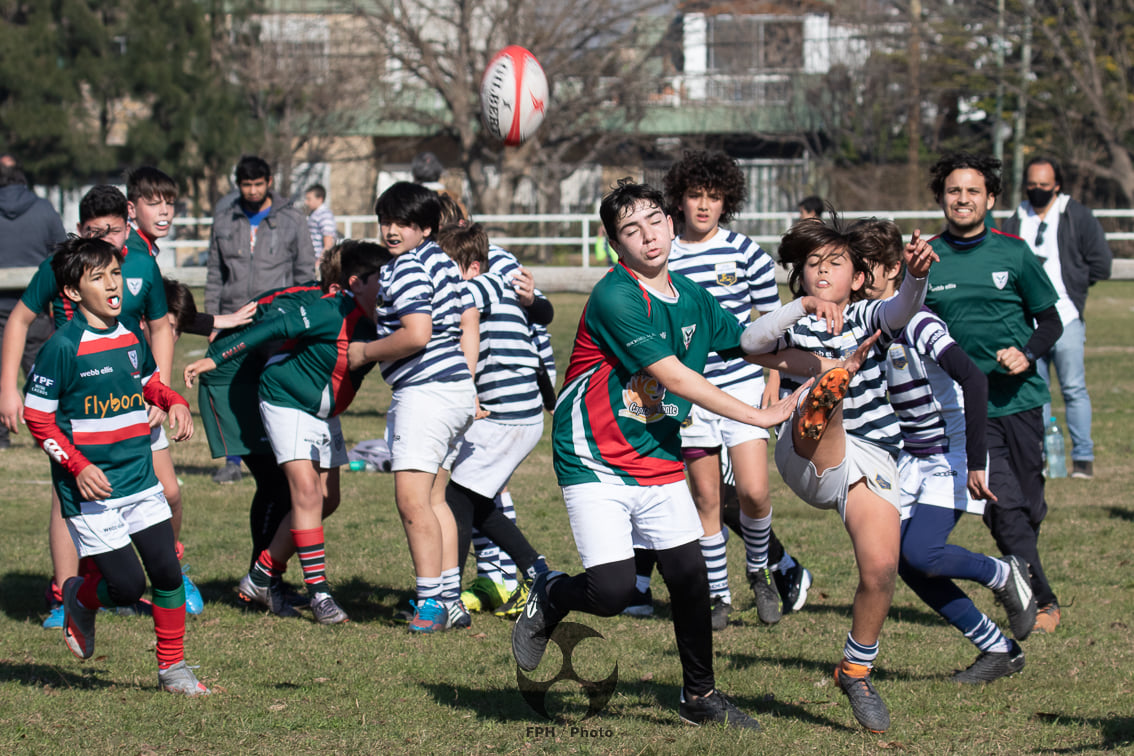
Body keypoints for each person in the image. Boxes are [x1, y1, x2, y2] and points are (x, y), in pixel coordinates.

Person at [511, 180, 821, 730]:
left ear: (671, 224)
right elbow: (674, 377)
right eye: (631, 229)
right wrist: (757, 415)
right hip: (595, 459)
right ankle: (551, 593)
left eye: (655, 220)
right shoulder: (615, 296)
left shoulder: (693, 296)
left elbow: (750, 342)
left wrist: (825, 356)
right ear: (615, 244)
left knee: (689, 576)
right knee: (611, 591)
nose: (648, 235)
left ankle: (700, 697)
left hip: (658, 455)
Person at [745, 216, 938, 733]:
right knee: (826, 390)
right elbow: (750, 342)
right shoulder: (794, 321)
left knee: (881, 569)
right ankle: (827, 391)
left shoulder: (871, 314)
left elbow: (903, 306)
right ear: (801, 276)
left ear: (858, 277)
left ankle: (855, 671)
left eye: (835, 263)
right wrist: (802, 312)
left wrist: (917, 276)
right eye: (813, 264)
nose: (823, 271)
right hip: (804, 451)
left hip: (871, 456)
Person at [2, 181, 196, 627]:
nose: (112, 282)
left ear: (127, 226)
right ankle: (67, 593)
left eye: (112, 232)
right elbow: (22, 324)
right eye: (94, 232)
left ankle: (169, 604)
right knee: (75, 505)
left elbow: (157, 337)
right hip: (80, 419)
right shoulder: (64, 324)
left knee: (167, 504)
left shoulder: (138, 284)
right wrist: (8, 387)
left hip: (131, 411)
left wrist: (168, 397)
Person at [853, 217, 1037, 684]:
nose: (858, 276)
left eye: (867, 266)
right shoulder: (867, 322)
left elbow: (974, 379)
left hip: (948, 451)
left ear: (893, 269)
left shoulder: (917, 320)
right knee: (904, 563)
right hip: (909, 457)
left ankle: (1003, 573)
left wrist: (975, 462)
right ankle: (999, 649)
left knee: (923, 553)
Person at [23, 236, 208, 695]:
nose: (112, 285)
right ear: (72, 292)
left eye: (116, 274)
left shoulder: (129, 332)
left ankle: (173, 669)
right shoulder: (62, 348)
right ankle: (78, 596)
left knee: (167, 573)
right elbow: (38, 418)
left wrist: (172, 400)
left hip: (140, 479)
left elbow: (148, 381)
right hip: (94, 492)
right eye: (98, 277)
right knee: (126, 586)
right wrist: (79, 466)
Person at [186, 241, 392, 625]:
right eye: (382, 279)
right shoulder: (331, 309)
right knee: (307, 494)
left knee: (327, 500)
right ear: (356, 283)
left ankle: (261, 576)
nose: (389, 287)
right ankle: (320, 595)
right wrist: (215, 358)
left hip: (324, 413)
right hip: (286, 400)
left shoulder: (387, 316)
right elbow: (274, 326)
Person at [660, 149, 810, 629]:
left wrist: (773, 381)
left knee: (754, 493)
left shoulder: (746, 252)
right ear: (680, 199)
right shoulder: (665, 253)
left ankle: (759, 570)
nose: (704, 205)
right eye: (695, 195)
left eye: (714, 196)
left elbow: (773, 323)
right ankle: (718, 595)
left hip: (744, 386)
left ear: (727, 201)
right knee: (706, 499)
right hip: (691, 393)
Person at [925, 152, 1064, 635]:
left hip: (1021, 401)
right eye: (954, 191)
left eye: (973, 191)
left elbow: (1051, 321)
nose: (962, 199)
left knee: (1029, 507)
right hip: (967, 409)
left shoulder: (1015, 253)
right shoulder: (926, 260)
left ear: (990, 199)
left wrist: (1027, 353)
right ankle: (1042, 601)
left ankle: (1023, 568)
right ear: (941, 198)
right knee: (1002, 506)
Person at [359, 182, 478, 633]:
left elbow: (416, 334)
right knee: (434, 499)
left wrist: (364, 353)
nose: (391, 231)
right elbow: (465, 321)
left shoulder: (404, 267)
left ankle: (429, 603)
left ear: (425, 227)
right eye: (385, 221)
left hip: (426, 394)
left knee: (411, 501)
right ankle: (450, 598)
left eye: (403, 223)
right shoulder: (442, 261)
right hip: (454, 392)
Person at [436, 220, 554, 621]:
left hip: (506, 414)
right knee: (476, 500)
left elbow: (451, 304)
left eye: (446, 266)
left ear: (472, 266)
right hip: (518, 413)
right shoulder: (496, 283)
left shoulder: (479, 286)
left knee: (456, 499)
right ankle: (538, 572)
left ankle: (446, 598)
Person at [205, 155, 316, 485]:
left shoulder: (293, 219)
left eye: (257, 184)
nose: (252, 191)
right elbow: (215, 274)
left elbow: (305, 273)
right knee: (233, 390)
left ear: (269, 182)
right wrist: (213, 319)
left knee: (276, 388)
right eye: (246, 185)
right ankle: (233, 460)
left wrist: (300, 318)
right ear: (238, 185)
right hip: (233, 318)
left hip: (277, 322)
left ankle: (284, 454)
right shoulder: (224, 219)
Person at [1000, 156, 1112, 480]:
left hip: (1066, 318)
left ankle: (1083, 459)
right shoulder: (1015, 219)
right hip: (1028, 323)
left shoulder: (1077, 216)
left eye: (1044, 185)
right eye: (1032, 184)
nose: (1037, 190)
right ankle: (1042, 458)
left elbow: (1101, 264)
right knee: (1037, 391)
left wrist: (1075, 285)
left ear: (1057, 186)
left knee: (1074, 388)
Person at [0, 159, 67, 450]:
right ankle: (50, 432)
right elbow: (64, 256)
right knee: (42, 375)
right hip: (35, 307)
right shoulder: (44, 209)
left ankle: (1, 438)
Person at [304, 184, 337, 264]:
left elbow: (328, 244)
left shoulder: (325, 215)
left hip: (318, 261)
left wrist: (320, 262)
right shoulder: (314, 214)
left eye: (309, 199)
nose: (306, 202)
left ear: (320, 199)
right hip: (310, 259)